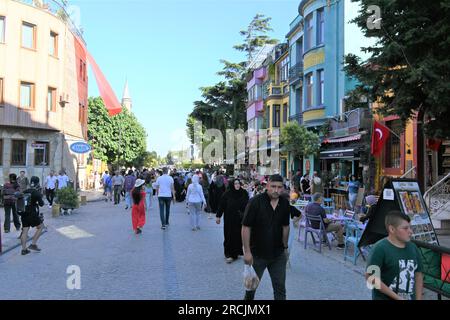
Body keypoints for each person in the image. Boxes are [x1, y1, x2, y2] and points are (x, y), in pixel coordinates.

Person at [242, 174, 290, 300]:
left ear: (282, 188)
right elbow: (246, 227)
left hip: (278, 255)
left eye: (279, 187)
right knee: (251, 289)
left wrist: (285, 248)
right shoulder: (255, 202)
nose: (276, 190)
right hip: (257, 254)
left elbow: (286, 227)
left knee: (280, 289)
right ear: (267, 186)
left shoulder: (284, 203)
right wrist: (247, 252)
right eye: (273, 186)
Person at [366, 211, 423, 300]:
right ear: (392, 229)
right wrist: (397, 297)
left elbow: (418, 275)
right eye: (405, 228)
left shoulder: (413, 248)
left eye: (410, 227)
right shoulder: (380, 248)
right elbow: (371, 277)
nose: (410, 231)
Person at [217, 179, 249, 263]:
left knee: (238, 235)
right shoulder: (227, 194)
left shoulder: (244, 193)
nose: (237, 185)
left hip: (240, 218)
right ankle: (229, 254)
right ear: (232, 185)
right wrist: (218, 216)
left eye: (238, 183)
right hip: (229, 219)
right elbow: (222, 205)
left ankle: (237, 252)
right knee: (229, 235)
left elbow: (248, 205)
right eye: (235, 184)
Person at [20, 176, 45, 256]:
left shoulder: (25, 191)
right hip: (32, 214)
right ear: (37, 183)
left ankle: (24, 250)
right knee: (41, 227)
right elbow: (41, 204)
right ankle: (33, 244)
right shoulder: (37, 193)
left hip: (24, 214)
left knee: (24, 231)